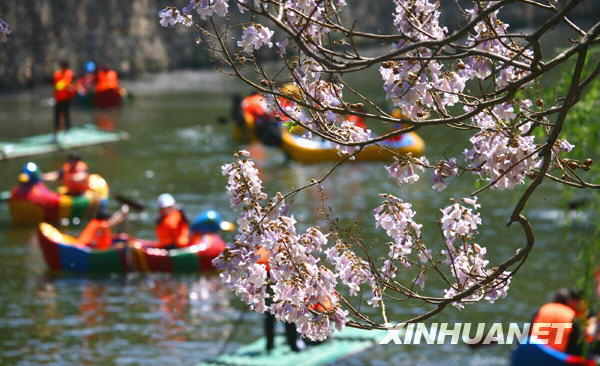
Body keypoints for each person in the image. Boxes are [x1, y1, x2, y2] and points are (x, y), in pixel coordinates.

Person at [530, 288, 597, 356]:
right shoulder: (572, 316)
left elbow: (526, 334)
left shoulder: (541, 309)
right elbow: (578, 344)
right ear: (570, 302)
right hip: (556, 356)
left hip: (533, 350)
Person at [53, 60, 75, 141]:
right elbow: (57, 86)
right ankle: (55, 135)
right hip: (58, 99)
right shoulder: (57, 74)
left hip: (66, 99)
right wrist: (65, 85)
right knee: (56, 117)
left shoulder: (69, 73)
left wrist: (67, 86)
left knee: (67, 117)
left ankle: (67, 134)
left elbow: (69, 84)